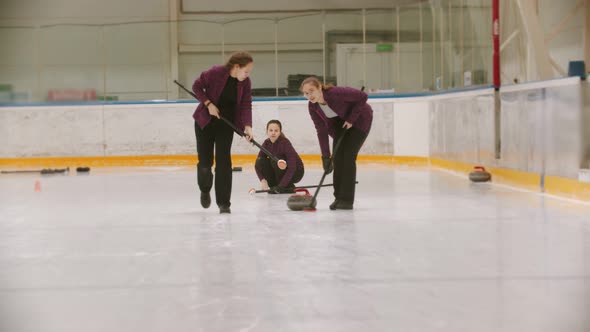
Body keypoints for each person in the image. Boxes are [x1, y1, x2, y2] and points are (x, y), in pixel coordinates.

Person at [192, 51, 254, 214]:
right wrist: (208, 104)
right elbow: (196, 86)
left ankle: (224, 203)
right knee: (205, 164)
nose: (248, 74)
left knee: (224, 163)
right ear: (236, 67)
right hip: (205, 123)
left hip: (226, 126)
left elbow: (246, 104)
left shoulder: (245, 83)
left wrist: (247, 126)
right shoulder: (216, 72)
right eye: (246, 71)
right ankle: (205, 189)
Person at [300, 77, 373, 210]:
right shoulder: (313, 107)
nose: (309, 95)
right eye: (306, 93)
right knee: (338, 158)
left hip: (359, 120)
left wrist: (351, 119)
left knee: (348, 158)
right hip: (339, 125)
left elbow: (363, 96)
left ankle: (347, 200)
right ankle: (338, 197)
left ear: (319, 88)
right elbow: (321, 130)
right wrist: (325, 157)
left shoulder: (335, 93)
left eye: (311, 91)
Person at [255, 120, 304, 194]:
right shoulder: (266, 143)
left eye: (276, 130)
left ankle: (286, 185)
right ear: (267, 131)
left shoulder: (285, 143)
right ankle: (274, 186)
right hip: (279, 169)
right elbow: (258, 164)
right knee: (261, 160)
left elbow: (292, 167)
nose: (273, 133)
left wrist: (281, 186)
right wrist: (263, 180)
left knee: (276, 160)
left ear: (280, 132)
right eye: (271, 130)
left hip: (296, 172)